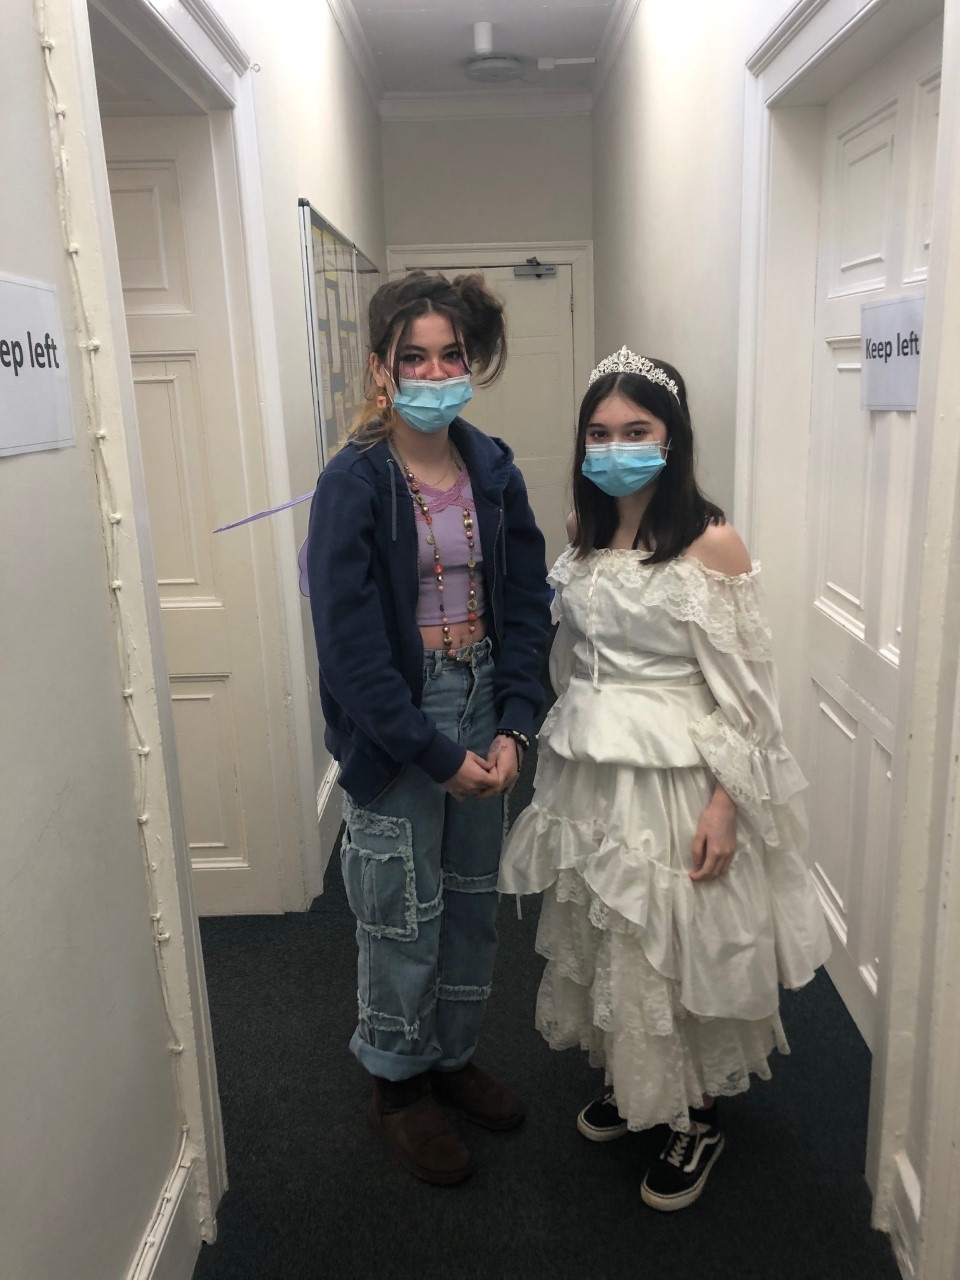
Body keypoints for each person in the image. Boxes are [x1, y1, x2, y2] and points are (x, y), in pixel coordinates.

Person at [498, 346, 830, 1211]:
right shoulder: (584, 531)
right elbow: (574, 656)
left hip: (678, 777)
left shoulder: (712, 543)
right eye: (601, 433)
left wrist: (727, 804)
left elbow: (750, 695)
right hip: (594, 774)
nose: (616, 447)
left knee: (681, 941)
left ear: (671, 437)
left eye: (636, 430)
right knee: (609, 928)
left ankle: (698, 1113)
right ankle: (637, 1078)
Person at [305, 271, 551, 1186]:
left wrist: (515, 724)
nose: (437, 373)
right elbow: (351, 649)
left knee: (473, 904)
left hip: (483, 699)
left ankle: (451, 1056)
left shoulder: (493, 470)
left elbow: (525, 603)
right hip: (398, 723)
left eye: (452, 356)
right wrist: (433, 753)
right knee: (402, 910)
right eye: (416, 357)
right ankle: (398, 1085)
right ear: (382, 368)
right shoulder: (354, 482)